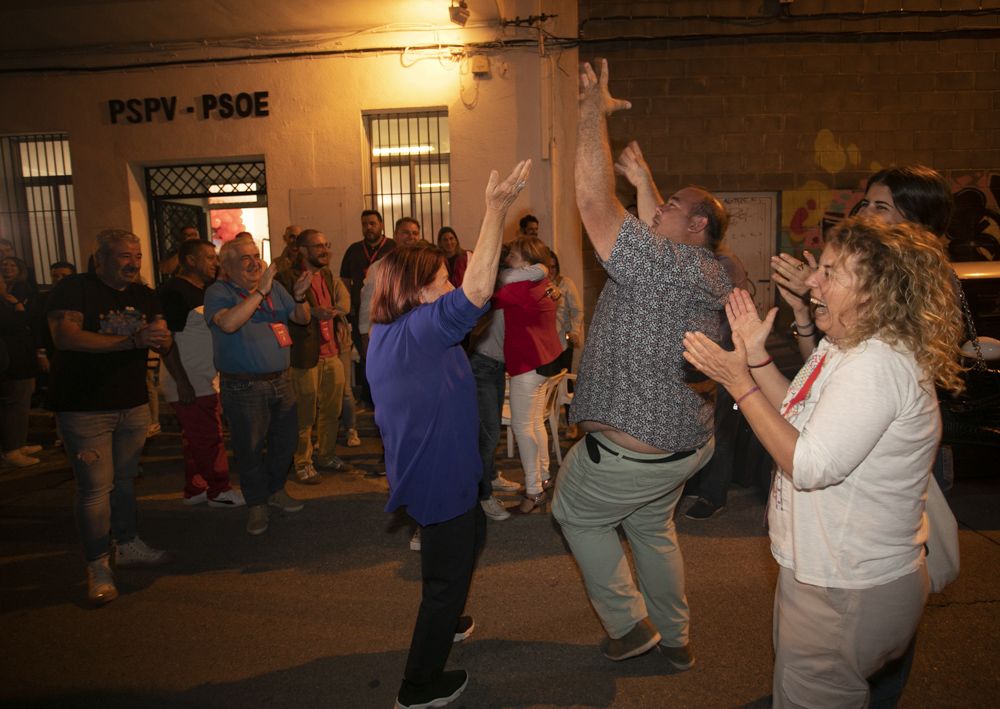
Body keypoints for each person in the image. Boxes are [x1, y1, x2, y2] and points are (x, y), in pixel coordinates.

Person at [682, 217, 964, 708]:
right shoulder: (845, 347)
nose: (813, 280)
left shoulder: (874, 365)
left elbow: (809, 463)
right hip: (841, 581)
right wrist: (752, 358)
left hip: (846, 589)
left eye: (831, 272)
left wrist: (737, 384)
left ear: (875, 293)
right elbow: (798, 412)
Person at [551, 59, 729, 666]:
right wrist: (647, 177)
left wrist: (588, 113)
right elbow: (663, 226)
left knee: (575, 514)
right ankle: (677, 640)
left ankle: (629, 628)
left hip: (632, 451)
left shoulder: (666, 267)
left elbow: (592, 200)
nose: (657, 205)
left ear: (698, 224)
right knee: (654, 531)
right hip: (683, 443)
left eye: (670, 203)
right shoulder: (706, 269)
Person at [367, 160, 530, 709]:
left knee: (467, 546)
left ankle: (450, 613)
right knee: (443, 580)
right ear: (416, 290)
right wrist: (495, 209)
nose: (450, 285)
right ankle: (418, 687)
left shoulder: (395, 330)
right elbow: (479, 289)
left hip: (444, 470)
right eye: (441, 280)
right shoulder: (418, 328)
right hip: (440, 478)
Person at [47, 229, 174, 605]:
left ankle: (128, 543)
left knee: (124, 481)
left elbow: (161, 336)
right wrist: (131, 341)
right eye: (123, 256)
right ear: (99, 259)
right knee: (93, 490)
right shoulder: (74, 289)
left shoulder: (144, 294)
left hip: (132, 404)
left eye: (136, 255)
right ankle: (98, 565)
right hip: (84, 408)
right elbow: (65, 337)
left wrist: (163, 340)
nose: (133, 262)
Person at [204, 235, 312, 535]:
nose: (254, 262)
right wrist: (260, 291)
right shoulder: (219, 292)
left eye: (256, 256)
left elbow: (301, 319)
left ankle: (276, 490)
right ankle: (256, 504)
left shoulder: (276, 288)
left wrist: (301, 297)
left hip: (282, 380)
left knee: (285, 442)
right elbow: (229, 324)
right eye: (245, 258)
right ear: (226, 266)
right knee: (250, 448)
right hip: (243, 387)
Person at [159, 239, 244, 507]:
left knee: (195, 438)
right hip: (190, 380)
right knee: (209, 438)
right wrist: (182, 382)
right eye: (209, 258)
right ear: (190, 260)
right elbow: (166, 340)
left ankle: (196, 487)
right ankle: (220, 491)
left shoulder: (207, 291)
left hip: (205, 378)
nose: (215, 263)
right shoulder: (174, 292)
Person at [492, 236, 563, 513]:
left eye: (513, 256)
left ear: (526, 261)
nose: (509, 259)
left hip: (528, 363)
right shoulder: (541, 282)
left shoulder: (520, 287)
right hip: (545, 360)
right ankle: (542, 477)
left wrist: (502, 274)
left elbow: (486, 292)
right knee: (534, 423)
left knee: (524, 427)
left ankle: (533, 491)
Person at [275, 228, 352, 484]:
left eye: (326, 245)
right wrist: (310, 311)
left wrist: (338, 323)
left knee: (332, 410)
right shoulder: (287, 278)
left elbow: (334, 308)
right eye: (318, 246)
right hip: (305, 356)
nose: (324, 250)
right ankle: (303, 462)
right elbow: (282, 315)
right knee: (304, 415)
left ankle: (326, 455)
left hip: (331, 352)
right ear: (303, 250)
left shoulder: (327, 275)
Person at [340, 210, 396, 408]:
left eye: (372, 223)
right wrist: (351, 301)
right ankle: (368, 397)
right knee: (365, 354)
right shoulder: (354, 250)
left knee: (387, 354)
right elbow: (345, 279)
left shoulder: (392, 247)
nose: (369, 227)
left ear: (381, 225)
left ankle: (388, 396)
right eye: (365, 224)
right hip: (359, 311)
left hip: (386, 314)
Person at [0, 274, 40, 467]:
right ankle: (11, 450)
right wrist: (18, 307)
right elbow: (14, 325)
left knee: (21, 403)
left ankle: (18, 442)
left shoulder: (5, 301)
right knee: (13, 405)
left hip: (20, 358)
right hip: (10, 362)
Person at [547, 250, 584, 376]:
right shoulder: (538, 286)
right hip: (545, 343)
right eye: (548, 267)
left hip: (563, 340)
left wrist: (575, 331)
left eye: (553, 267)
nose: (551, 270)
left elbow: (577, 310)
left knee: (564, 380)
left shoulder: (566, 283)